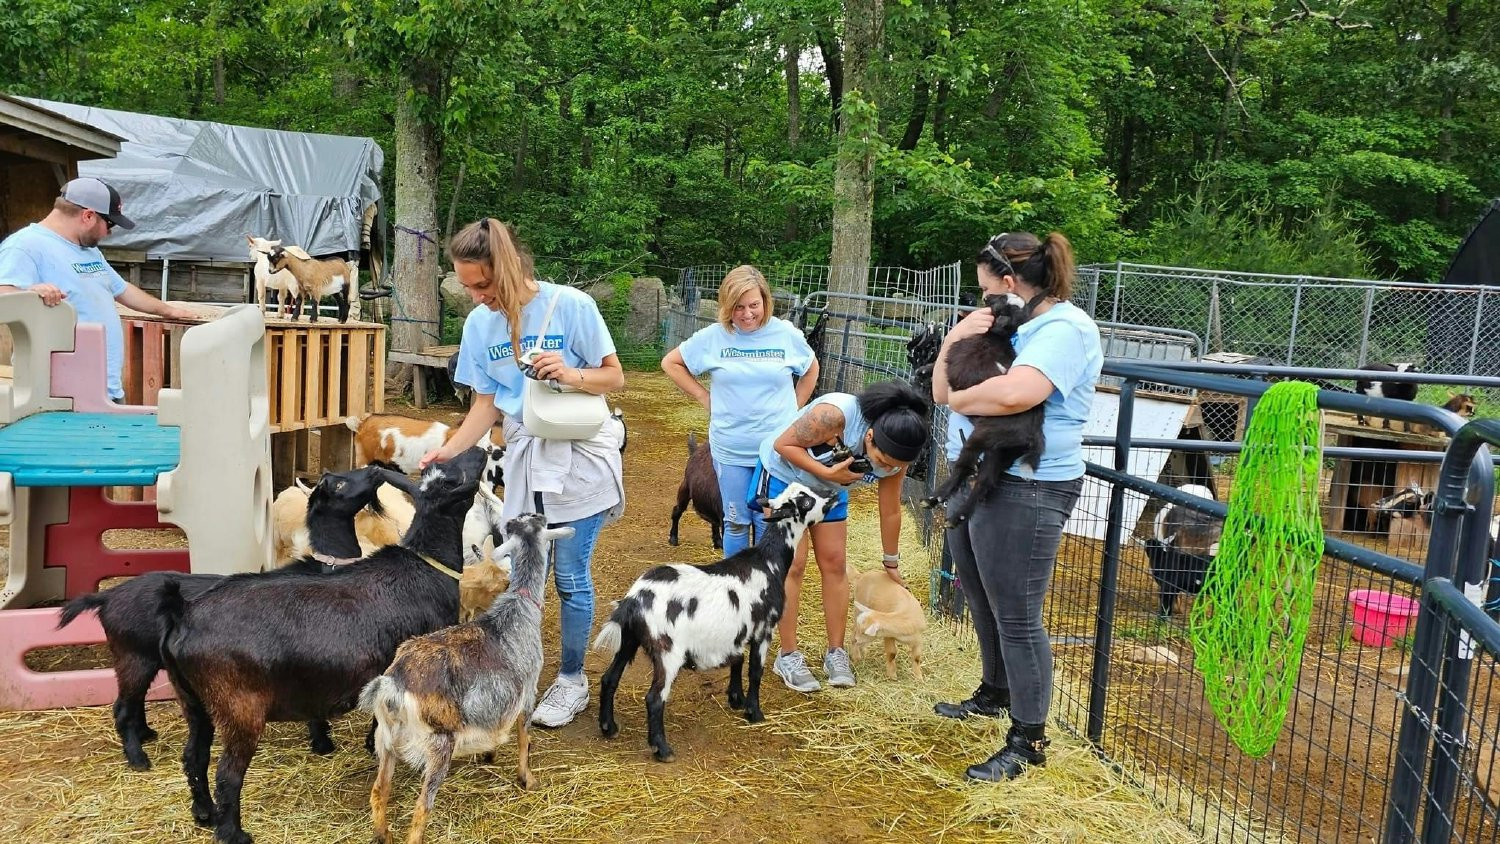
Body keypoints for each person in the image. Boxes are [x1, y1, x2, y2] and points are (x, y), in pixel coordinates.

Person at [419, 217, 625, 729]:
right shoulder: (478, 326)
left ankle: (573, 679)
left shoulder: (571, 306)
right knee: (524, 575)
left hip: (579, 455)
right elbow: (486, 406)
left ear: (507, 268)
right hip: (527, 455)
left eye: (482, 285)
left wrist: (571, 373)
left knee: (570, 576)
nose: (475, 296)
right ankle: (514, 672)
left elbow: (614, 377)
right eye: (466, 285)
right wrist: (447, 451)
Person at [930, 231, 1102, 781]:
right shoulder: (1015, 325)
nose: (982, 302)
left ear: (1010, 283)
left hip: (1028, 484)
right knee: (979, 593)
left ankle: (1028, 740)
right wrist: (955, 337)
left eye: (986, 292)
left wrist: (960, 398)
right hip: (977, 473)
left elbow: (1015, 394)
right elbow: (939, 389)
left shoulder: (1065, 329)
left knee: (1018, 615)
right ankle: (995, 691)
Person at [753, 379, 929, 692]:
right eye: (882, 460)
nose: (884, 468)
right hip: (785, 478)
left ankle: (836, 652)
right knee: (794, 564)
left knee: (835, 562)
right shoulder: (834, 416)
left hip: (832, 487)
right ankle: (788, 655)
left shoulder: (897, 457)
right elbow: (784, 445)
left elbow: (890, 510)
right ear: (870, 436)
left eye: (895, 466)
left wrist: (891, 562)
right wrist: (826, 473)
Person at [661, 265, 819, 555]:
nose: (747, 314)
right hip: (730, 447)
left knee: (765, 519)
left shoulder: (784, 335)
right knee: (734, 521)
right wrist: (702, 396)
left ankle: (761, 588)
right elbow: (671, 363)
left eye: (754, 305)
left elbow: (811, 369)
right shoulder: (714, 337)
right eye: (738, 307)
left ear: (765, 302)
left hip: (774, 450)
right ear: (726, 306)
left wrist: (794, 410)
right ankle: (734, 587)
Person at [0, 177, 197, 401]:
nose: (108, 233)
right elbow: (4, 297)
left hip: (107, 388)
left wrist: (169, 311)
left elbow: (121, 289)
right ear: (88, 216)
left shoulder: (88, 250)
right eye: (109, 224)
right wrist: (30, 295)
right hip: (61, 394)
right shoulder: (25, 246)